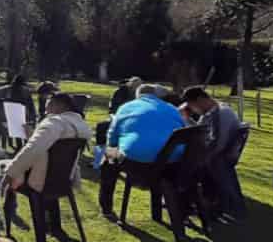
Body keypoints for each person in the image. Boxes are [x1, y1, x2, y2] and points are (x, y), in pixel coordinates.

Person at [0, 92, 92, 233]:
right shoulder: (81, 125)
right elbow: (49, 147)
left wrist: (10, 173)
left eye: (48, 106)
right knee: (18, 165)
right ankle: (53, 224)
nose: (45, 111)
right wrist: (32, 134)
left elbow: (32, 150)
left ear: (59, 105)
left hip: (40, 180)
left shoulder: (54, 122)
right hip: (62, 179)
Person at [98, 83, 184, 221]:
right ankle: (160, 211)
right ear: (157, 96)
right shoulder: (172, 109)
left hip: (138, 163)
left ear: (137, 96)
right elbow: (183, 129)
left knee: (108, 159)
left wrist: (114, 147)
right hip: (172, 164)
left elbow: (112, 136)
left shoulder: (126, 107)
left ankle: (106, 208)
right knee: (156, 153)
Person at [180, 85, 245, 217]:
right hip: (219, 155)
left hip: (218, 157)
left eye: (192, 106)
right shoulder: (213, 112)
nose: (193, 110)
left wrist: (199, 158)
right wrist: (187, 120)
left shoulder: (220, 114)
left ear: (199, 100)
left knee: (181, 168)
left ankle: (187, 204)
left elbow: (217, 144)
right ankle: (201, 201)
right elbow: (200, 131)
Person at [0, 73, 36, 148]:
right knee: (26, 121)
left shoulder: (0, 91)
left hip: (0, 123)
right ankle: (23, 146)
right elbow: (31, 111)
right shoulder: (26, 92)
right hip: (17, 124)